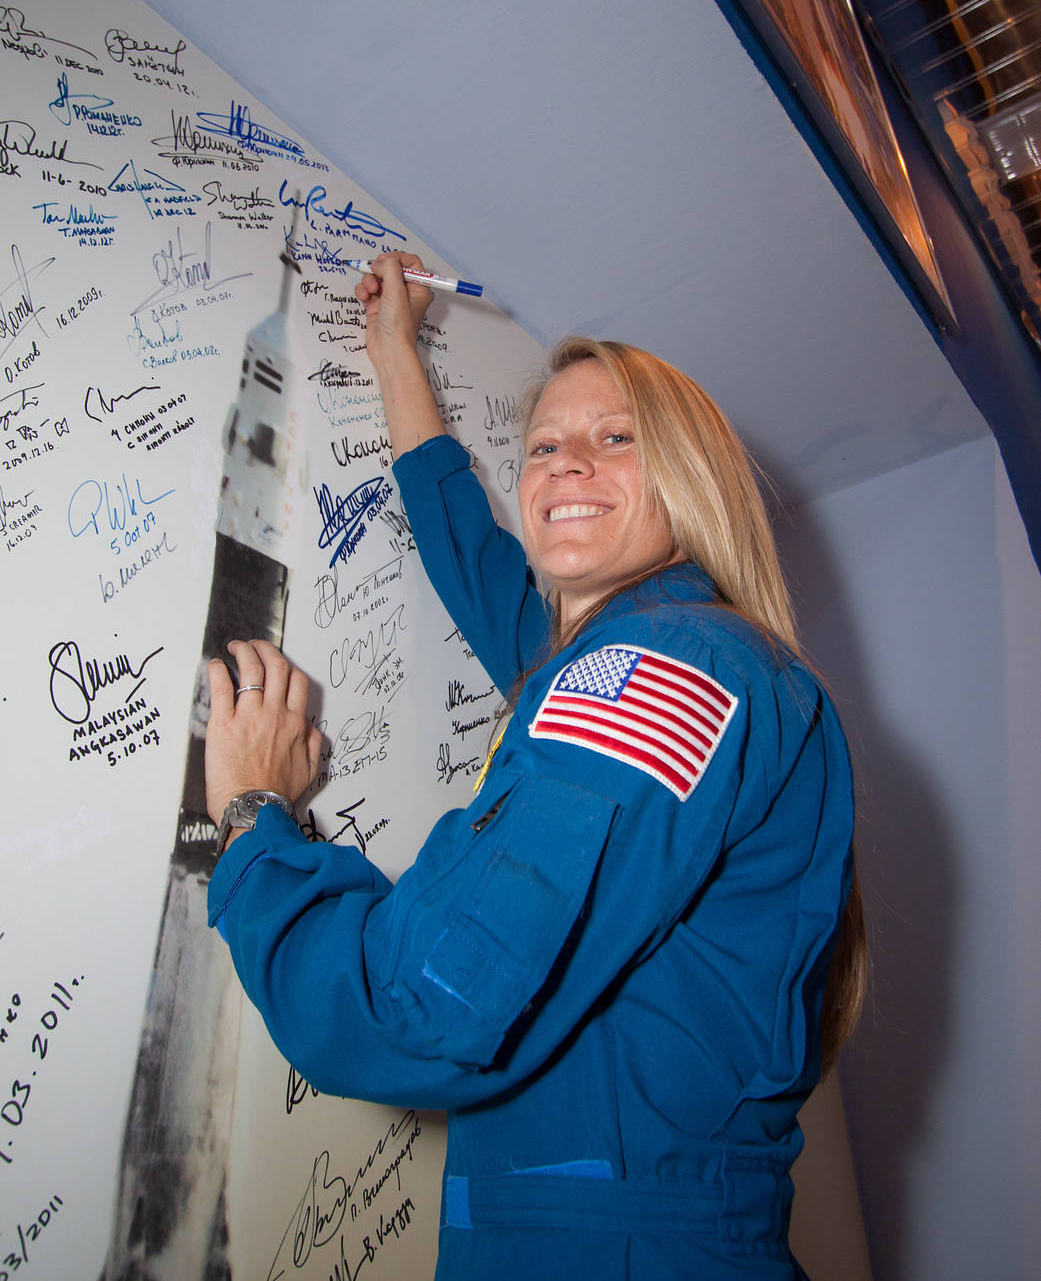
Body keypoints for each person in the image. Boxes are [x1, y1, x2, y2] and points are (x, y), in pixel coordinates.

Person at [205, 253, 864, 1280]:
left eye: (615, 439)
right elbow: (483, 568)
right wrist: (395, 355)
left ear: (691, 478)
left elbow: (421, 1002)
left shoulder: (666, 665)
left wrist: (255, 816)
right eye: (545, 444)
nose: (565, 464)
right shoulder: (639, 654)